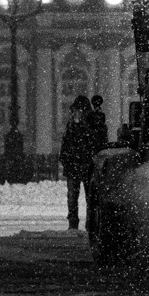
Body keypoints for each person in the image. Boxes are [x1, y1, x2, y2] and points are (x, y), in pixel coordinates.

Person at [59, 95, 98, 230]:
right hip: (74, 166)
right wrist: (64, 159)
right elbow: (66, 143)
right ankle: (73, 222)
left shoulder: (89, 125)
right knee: (72, 197)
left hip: (85, 166)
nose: (78, 113)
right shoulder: (71, 125)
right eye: (76, 110)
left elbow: (91, 143)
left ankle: (90, 223)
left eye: (80, 110)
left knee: (89, 197)